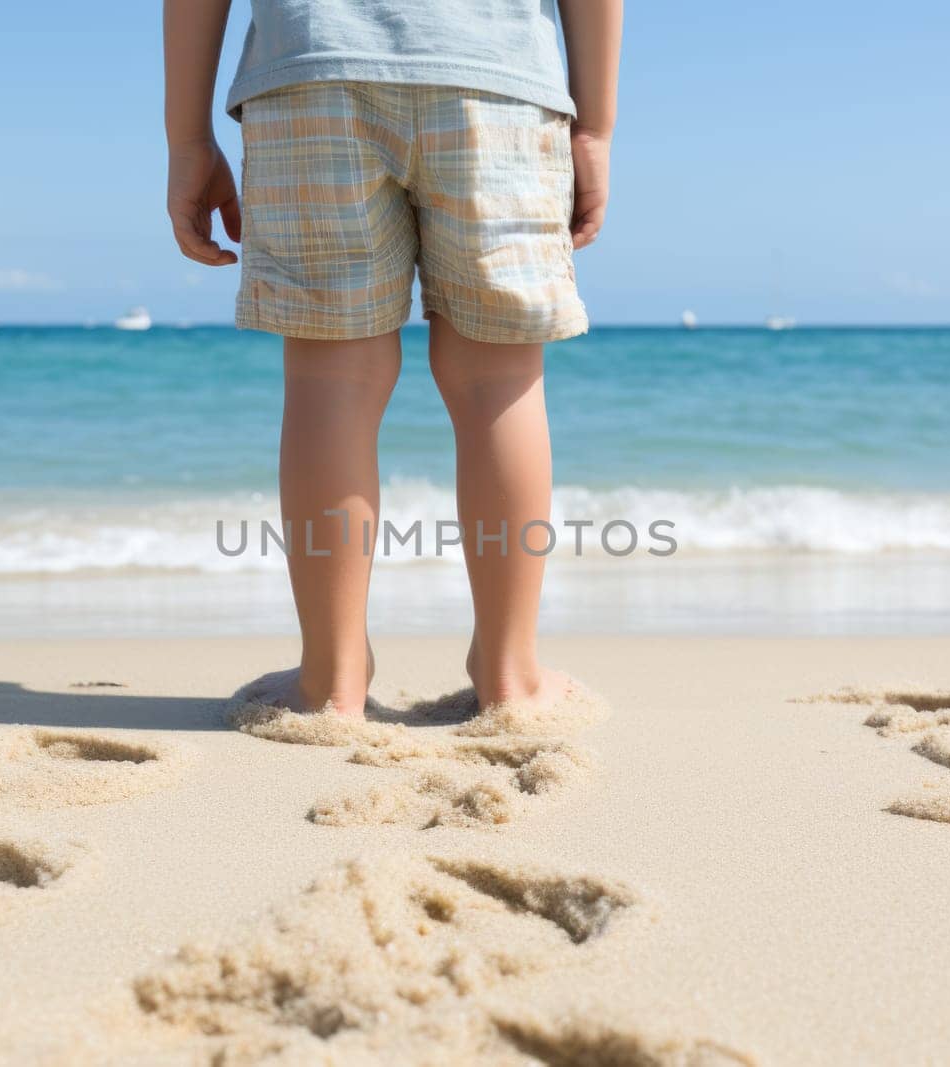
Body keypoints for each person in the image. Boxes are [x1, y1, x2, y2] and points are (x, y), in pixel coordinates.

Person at [164, 0, 622, 718]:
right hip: (496, 74)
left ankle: (331, 677)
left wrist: (187, 136)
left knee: (330, 381)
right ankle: (510, 672)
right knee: (497, 380)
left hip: (313, 66)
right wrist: (595, 127)